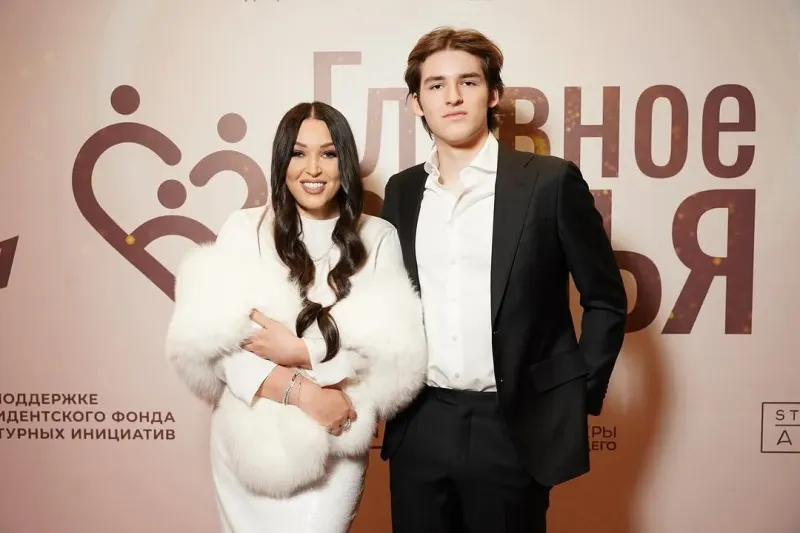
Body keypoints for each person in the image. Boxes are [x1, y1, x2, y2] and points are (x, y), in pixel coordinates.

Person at [379, 27, 628, 533]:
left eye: (468, 82)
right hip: (419, 422)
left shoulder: (549, 182)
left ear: (493, 94)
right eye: (435, 85)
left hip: (512, 426)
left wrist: (573, 395)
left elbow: (605, 298)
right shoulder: (401, 191)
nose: (452, 96)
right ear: (416, 103)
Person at [165, 101, 428, 533]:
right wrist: (303, 393)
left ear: (345, 162)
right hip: (249, 442)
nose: (313, 168)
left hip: (333, 443)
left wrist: (302, 352)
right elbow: (219, 345)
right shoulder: (245, 228)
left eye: (328, 154)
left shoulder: (378, 237)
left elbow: (392, 350)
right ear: (280, 161)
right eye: (298, 153)